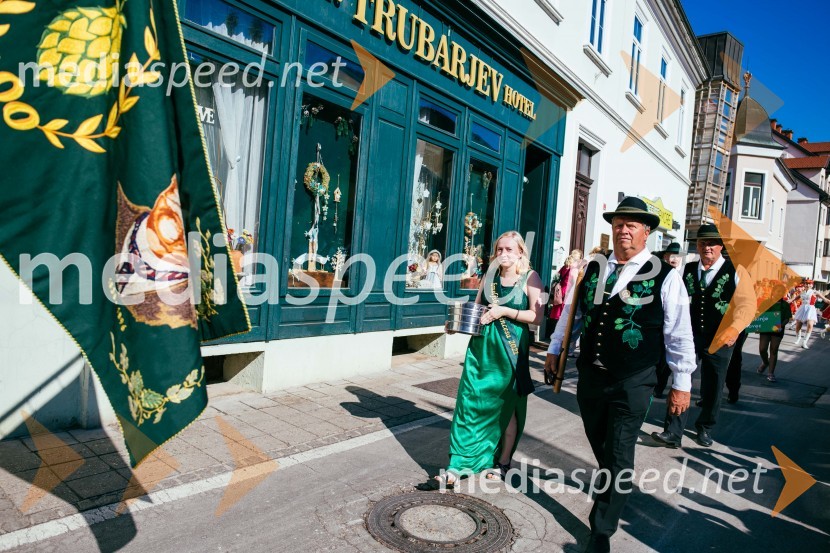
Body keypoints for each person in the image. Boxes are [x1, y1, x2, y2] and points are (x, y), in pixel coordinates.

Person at [544, 197, 696, 553]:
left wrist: (682, 383)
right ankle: (612, 485)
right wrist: (554, 349)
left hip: (634, 379)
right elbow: (572, 314)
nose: (623, 230)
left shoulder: (667, 276)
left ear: (647, 232)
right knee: (603, 447)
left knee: (619, 450)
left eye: (631, 225)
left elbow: (679, 334)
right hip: (591, 377)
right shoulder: (594, 267)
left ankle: (602, 530)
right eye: (618, 224)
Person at [435, 231, 544, 487]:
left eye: (509, 249)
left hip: (511, 352)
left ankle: (502, 461)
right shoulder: (489, 277)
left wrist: (504, 310)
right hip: (482, 349)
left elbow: (536, 317)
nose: (503, 254)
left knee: (505, 408)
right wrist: (456, 324)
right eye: (499, 250)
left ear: (520, 252)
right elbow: (477, 309)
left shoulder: (530, 277)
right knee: (469, 404)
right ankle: (458, 463)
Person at [651, 224, 755, 450]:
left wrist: (735, 329)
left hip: (720, 337)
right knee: (680, 377)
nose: (707, 248)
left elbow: (747, 305)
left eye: (712, 243)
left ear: (720, 247)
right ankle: (673, 430)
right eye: (702, 243)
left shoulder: (736, 270)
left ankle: (705, 427)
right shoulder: (684, 270)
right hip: (688, 334)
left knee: (714, 384)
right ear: (696, 245)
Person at [654, 242, 685, 397]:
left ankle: (662, 384)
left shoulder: (683, 275)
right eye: (671, 256)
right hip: (659, 323)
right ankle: (657, 386)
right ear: (665, 257)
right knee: (658, 357)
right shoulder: (659, 272)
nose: (674, 259)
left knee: (669, 359)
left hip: (677, 324)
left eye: (677, 256)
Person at [757, 284, 792, 383]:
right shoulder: (766, 302)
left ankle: (770, 373)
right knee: (762, 349)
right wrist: (757, 324)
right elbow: (759, 314)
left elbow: (787, 318)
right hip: (765, 328)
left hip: (777, 330)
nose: (779, 293)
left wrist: (780, 326)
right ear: (773, 292)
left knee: (774, 350)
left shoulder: (785, 305)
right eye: (778, 291)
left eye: (781, 292)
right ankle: (765, 362)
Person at [544, 249, 582, 339]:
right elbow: (574, 282)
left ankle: (555, 336)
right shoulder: (574, 268)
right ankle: (561, 338)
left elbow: (556, 277)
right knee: (565, 318)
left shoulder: (565, 266)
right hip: (568, 293)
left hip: (560, 292)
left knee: (558, 317)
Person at [794, 279, 829, 349]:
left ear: (812, 285)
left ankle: (804, 342)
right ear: (804, 285)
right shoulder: (802, 292)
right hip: (802, 309)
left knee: (810, 325)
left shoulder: (815, 292)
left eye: (809, 284)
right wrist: (790, 301)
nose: (808, 285)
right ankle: (798, 337)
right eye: (806, 284)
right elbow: (794, 299)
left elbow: (825, 300)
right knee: (798, 326)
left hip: (811, 309)